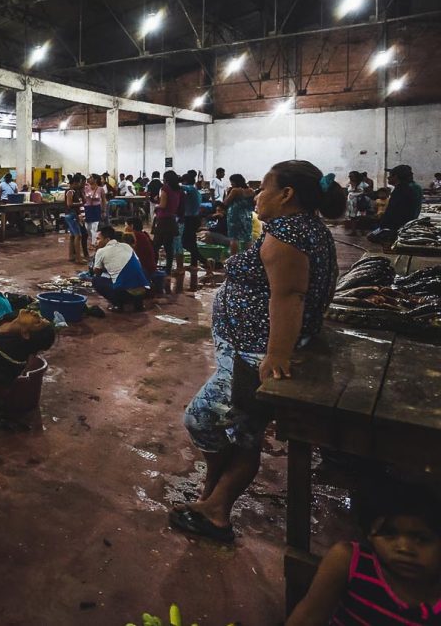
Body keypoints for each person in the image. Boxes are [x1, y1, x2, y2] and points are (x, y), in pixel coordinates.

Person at [172, 160, 345, 544]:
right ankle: (215, 503)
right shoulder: (301, 228)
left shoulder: (289, 235)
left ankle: (216, 494)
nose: (257, 195)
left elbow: (289, 296)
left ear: (287, 195)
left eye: (264, 188)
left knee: (200, 420)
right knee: (244, 433)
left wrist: (277, 354)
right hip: (247, 348)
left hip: (253, 355)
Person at [286, 478, 441, 625]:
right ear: (369, 534)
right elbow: (307, 619)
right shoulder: (349, 561)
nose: (404, 548)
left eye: (421, 539)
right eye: (388, 533)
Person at [90, 226, 149, 312]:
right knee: (141, 271)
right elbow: (138, 264)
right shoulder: (126, 246)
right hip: (143, 292)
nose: (96, 242)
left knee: (96, 280)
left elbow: (96, 272)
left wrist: (97, 252)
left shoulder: (101, 251)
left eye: (98, 239)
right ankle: (138, 303)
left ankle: (118, 305)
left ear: (107, 240)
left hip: (125, 294)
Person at [152, 170, 183, 276]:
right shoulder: (178, 190)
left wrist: (156, 205)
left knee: (155, 245)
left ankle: (153, 267)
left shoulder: (165, 188)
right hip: (172, 219)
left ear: (166, 179)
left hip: (163, 219)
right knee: (168, 247)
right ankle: (168, 270)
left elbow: (163, 205)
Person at [380, 165, 422, 231]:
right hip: (405, 224)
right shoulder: (407, 187)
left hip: (399, 226)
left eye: (390, 175)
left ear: (396, 176)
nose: (388, 178)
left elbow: (394, 211)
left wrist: (383, 225)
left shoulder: (402, 189)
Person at [224, 174, 256, 255]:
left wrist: (228, 192)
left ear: (235, 182)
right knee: (248, 238)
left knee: (234, 239)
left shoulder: (235, 190)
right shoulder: (251, 191)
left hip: (235, 216)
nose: (231, 184)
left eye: (232, 182)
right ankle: (249, 257)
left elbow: (226, 202)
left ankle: (233, 258)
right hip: (247, 216)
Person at [180, 171, 203, 273]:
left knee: (185, 242)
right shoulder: (195, 190)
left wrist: (175, 182)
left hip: (190, 219)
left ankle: (203, 260)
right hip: (194, 218)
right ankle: (194, 263)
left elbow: (182, 188)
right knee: (192, 242)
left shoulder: (191, 189)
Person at [64, 175, 85, 264]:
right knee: (78, 235)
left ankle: (71, 256)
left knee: (73, 235)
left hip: (71, 214)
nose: (81, 184)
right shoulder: (70, 192)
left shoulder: (74, 191)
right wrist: (80, 203)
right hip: (71, 215)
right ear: (75, 183)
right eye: (79, 182)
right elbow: (69, 204)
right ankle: (78, 258)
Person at [82, 174, 106, 246]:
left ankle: (93, 243)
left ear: (95, 180)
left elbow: (104, 200)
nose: (89, 179)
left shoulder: (100, 189)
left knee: (94, 227)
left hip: (96, 208)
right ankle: (92, 238)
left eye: (91, 178)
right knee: (87, 227)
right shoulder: (85, 188)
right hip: (87, 208)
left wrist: (103, 211)